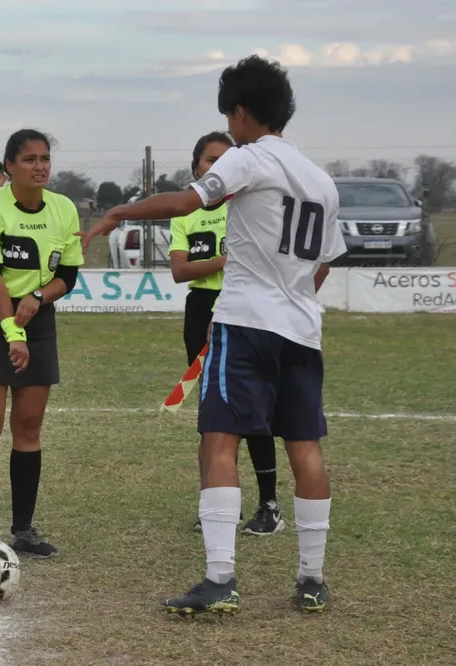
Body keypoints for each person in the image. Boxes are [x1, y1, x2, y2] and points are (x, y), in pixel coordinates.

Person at [81, 55, 345, 614]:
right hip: (301, 330)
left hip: (245, 322)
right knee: (305, 447)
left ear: (242, 112)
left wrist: (118, 213)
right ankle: (312, 580)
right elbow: (325, 263)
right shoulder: (321, 181)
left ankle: (221, 577)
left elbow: (186, 201)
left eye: (229, 116)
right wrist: (292, 296)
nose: (229, 127)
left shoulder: (249, 159)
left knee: (219, 438)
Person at [0, 129, 83, 562]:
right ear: (9, 167)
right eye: (29, 159)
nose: (39, 166)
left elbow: (69, 276)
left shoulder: (64, 209)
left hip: (36, 317)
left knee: (28, 426)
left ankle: (23, 530)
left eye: (45, 158)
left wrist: (40, 298)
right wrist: (13, 333)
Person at [170, 131, 283, 537]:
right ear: (195, 166)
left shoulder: (249, 206)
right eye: (209, 160)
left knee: (254, 409)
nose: (217, 167)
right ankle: (217, 505)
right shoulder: (186, 212)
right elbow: (180, 270)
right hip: (201, 310)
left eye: (225, 159)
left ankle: (269, 504)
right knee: (213, 412)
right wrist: (226, 259)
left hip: (246, 307)